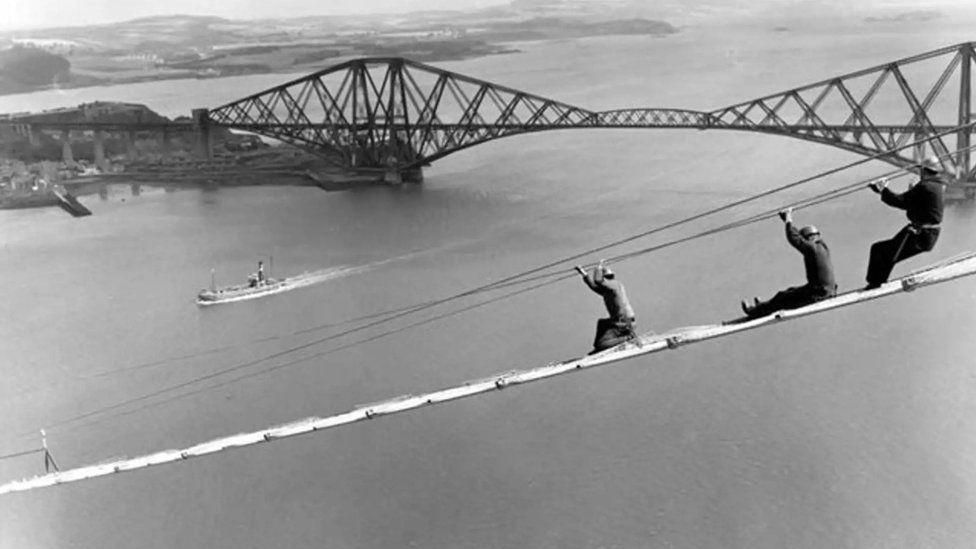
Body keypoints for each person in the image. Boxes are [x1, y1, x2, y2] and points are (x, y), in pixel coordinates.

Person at [864, 156, 946, 289]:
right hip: (927, 233)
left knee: (880, 250)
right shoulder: (939, 185)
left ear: (924, 170)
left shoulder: (924, 186)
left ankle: (875, 283)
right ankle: (878, 280)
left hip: (920, 234)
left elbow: (901, 202)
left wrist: (883, 190)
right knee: (887, 251)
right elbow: (919, 205)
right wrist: (913, 190)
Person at [741, 208, 837, 318]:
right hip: (827, 291)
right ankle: (763, 306)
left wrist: (788, 219)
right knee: (790, 292)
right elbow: (799, 237)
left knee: (782, 297)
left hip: (818, 294)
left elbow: (794, 238)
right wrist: (786, 222)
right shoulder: (822, 248)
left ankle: (754, 312)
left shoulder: (812, 249)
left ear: (809, 237)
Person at [575, 261, 637, 354]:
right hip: (620, 321)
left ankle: (628, 338)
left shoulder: (614, 285)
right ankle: (601, 345)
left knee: (601, 344)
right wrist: (582, 272)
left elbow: (598, 280)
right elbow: (593, 286)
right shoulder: (608, 291)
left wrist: (599, 267)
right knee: (602, 323)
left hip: (623, 322)